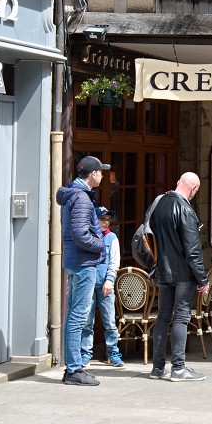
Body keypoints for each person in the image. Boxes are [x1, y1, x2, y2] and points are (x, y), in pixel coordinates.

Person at [150, 172, 208, 382]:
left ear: (178, 182)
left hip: (163, 270)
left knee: (163, 317)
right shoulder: (185, 209)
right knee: (181, 318)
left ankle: (157, 368)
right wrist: (202, 279)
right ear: (193, 188)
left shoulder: (158, 203)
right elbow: (193, 250)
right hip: (183, 273)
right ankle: (178, 368)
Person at [57, 155, 109, 386]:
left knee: (74, 315)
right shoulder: (82, 198)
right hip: (83, 262)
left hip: (76, 261)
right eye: (100, 171)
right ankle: (74, 369)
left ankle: (74, 367)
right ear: (92, 174)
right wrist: (101, 245)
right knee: (78, 315)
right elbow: (80, 234)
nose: (103, 175)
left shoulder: (74, 195)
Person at [81, 207, 123, 368]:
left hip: (105, 284)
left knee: (110, 321)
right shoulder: (88, 237)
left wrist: (110, 280)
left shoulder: (111, 238)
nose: (105, 222)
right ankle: (85, 353)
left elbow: (114, 261)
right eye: (102, 219)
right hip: (88, 284)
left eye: (107, 220)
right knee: (86, 321)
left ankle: (113, 352)